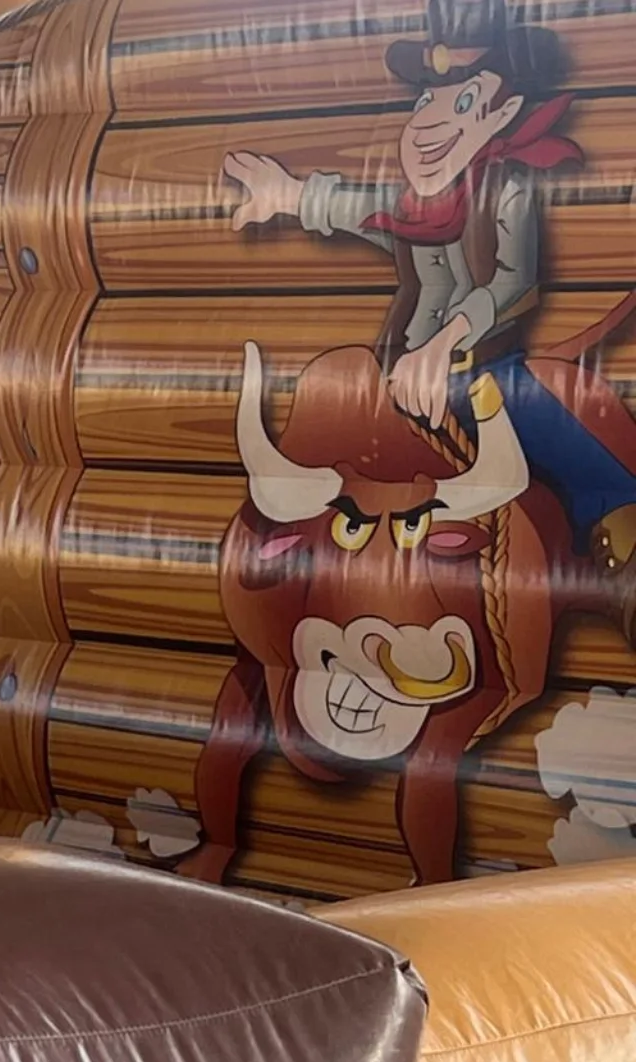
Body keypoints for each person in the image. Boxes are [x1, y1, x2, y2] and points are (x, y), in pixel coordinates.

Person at [223, 0, 636, 636]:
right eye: (426, 100)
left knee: (539, 410)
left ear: (502, 114)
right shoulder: (415, 208)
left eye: (463, 101)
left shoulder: (508, 190)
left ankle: (623, 536)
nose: (429, 121)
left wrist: (446, 345)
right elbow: (362, 210)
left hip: (478, 371)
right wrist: (295, 196)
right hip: (395, 382)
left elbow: (513, 283)